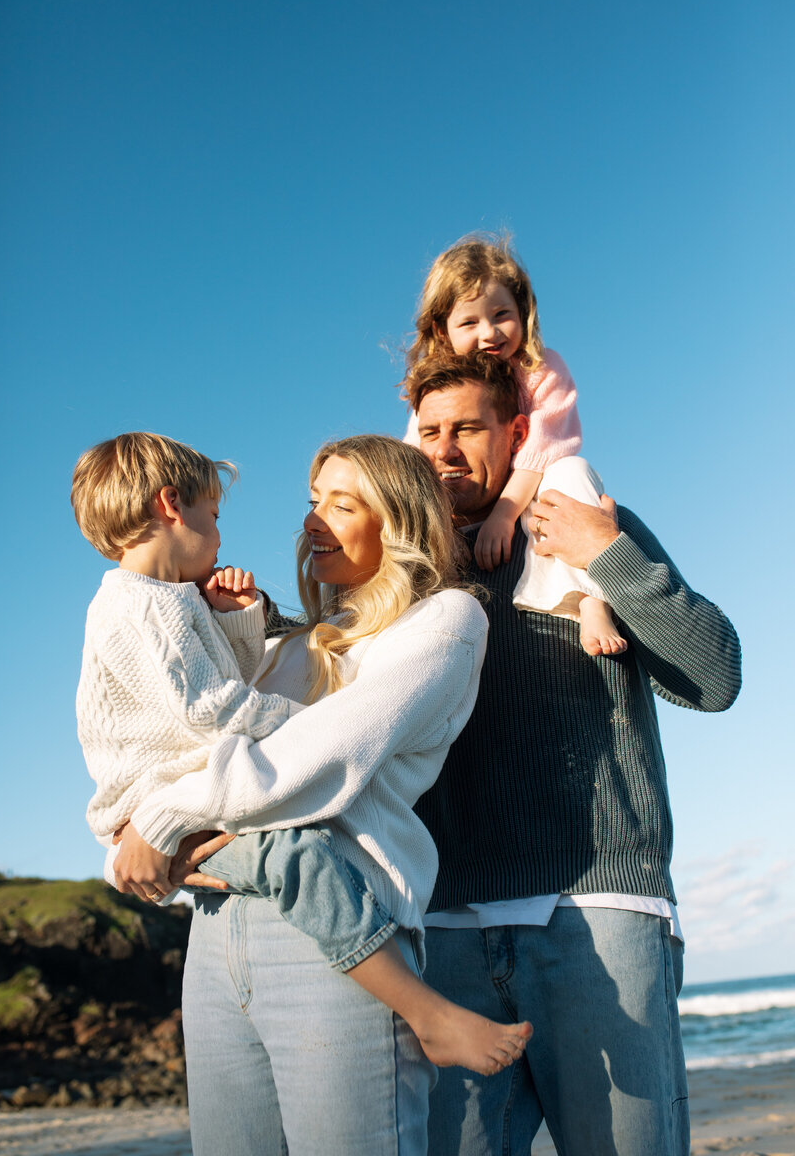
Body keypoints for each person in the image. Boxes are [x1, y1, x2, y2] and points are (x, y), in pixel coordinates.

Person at [99, 433, 532, 1155]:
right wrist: (131, 838)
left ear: (396, 522)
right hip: (213, 933)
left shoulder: (445, 623)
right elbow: (185, 747)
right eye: (312, 503)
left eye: (342, 503)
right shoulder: (290, 646)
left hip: (335, 944)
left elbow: (314, 761)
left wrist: (164, 817)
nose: (312, 522)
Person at [404, 353, 742, 1156]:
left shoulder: (583, 521)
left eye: (468, 430)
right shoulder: (401, 568)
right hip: (442, 933)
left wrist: (608, 555)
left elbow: (714, 678)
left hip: (601, 914)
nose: (446, 449)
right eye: (430, 433)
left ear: (518, 432)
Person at [404, 234, 626, 656]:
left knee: (571, 470)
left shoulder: (542, 370)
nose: (489, 333)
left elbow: (545, 446)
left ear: (523, 313)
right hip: (467, 516)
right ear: (442, 329)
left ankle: (590, 600)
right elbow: (415, 459)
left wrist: (504, 516)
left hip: (535, 489)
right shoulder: (435, 394)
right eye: (469, 322)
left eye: (501, 314)